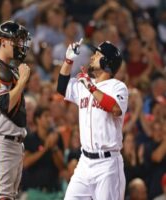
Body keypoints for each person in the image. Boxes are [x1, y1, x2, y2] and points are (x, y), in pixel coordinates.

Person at [57, 40, 128, 200]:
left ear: (107, 61)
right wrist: (68, 61)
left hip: (108, 164)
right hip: (84, 162)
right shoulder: (86, 84)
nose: (92, 57)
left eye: (97, 54)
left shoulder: (117, 86)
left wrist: (91, 87)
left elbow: (115, 109)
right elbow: (62, 87)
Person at [0, 20, 31, 200]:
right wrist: (23, 80)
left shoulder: (9, 69)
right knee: (3, 196)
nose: (19, 45)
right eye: (15, 40)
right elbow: (5, 104)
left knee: (9, 196)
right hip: (1, 141)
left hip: (15, 142)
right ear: (3, 41)